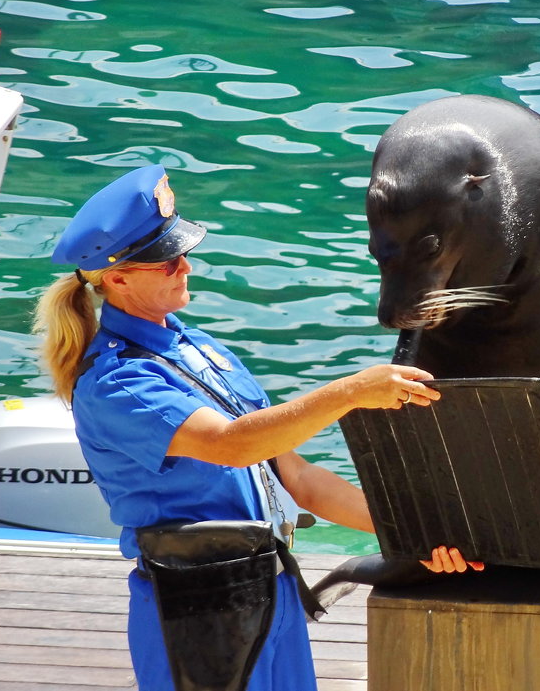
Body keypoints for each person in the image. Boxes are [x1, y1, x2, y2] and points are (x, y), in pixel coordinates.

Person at [33, 165, 482, 691]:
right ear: (117, 278)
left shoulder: (195, 348)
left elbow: (297, 476)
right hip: (194, 606)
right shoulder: (117, 382)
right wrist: (352, 392)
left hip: (268, 588)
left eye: (183, 253)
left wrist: (414, 536)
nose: (184, 267)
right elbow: (232, 445)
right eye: (166, 261)